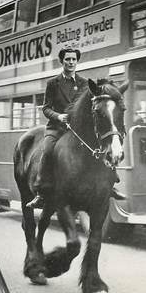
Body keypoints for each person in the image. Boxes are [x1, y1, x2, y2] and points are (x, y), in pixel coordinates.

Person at [27, 47, 125, 208]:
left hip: (79, 130)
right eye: (68, 59)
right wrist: (58, 116)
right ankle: (41, 191)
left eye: (74, 59)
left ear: (77, 62)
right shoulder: (53, 83)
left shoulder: (85, 83)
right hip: (57, 128)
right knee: (48, 150)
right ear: (62, 61)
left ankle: (110, 184)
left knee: (103, 146)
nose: (71, 62)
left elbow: (90, 106)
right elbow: (45, 108)